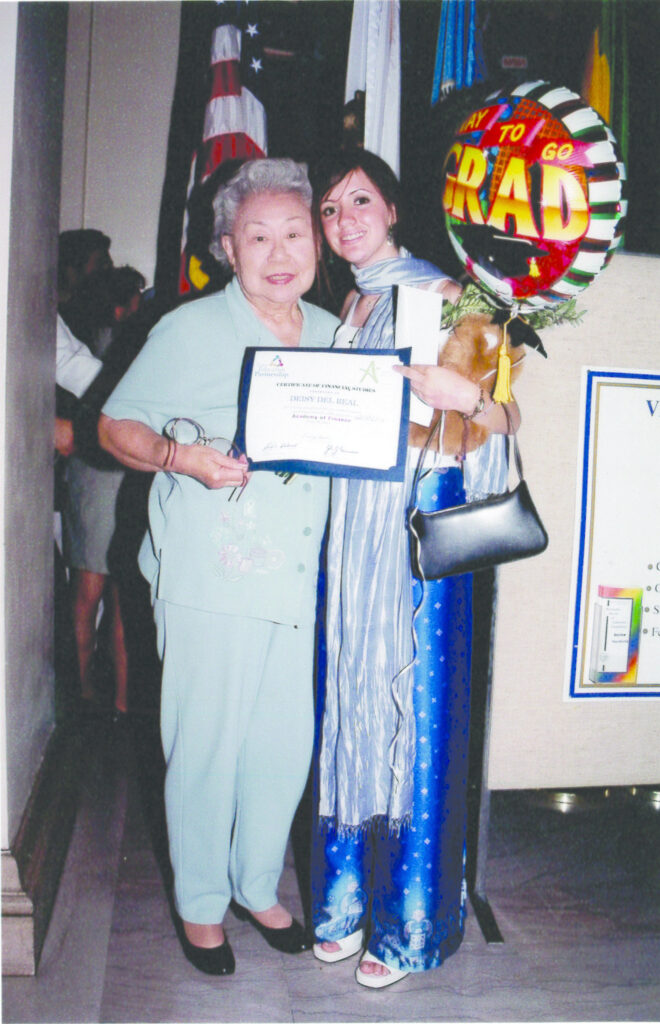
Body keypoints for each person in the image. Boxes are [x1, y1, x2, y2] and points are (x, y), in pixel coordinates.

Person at [98, 158, 339, 976]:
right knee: (206, 744)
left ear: (318, 244)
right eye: (257, 235)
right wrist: (183, 457)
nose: (279, 251)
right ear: (228, 249)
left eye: (294, 233)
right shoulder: (191, 328)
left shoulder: (341, 334)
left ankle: (255, 884)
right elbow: (113, 427)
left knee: (283, 747)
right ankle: (201, 902)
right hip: (212, 575)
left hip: (300, 581)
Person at [309, 149, 520, 988]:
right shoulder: (353, 301)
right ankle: (347, 899)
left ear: (392, 208)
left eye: (357, 200)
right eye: (327, 210)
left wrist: (457, 394)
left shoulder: (444, 295)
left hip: (413, 526)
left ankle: (411, 925)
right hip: (352, 529)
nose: (342, 220)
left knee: (411, 715)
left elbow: (505, 414)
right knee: (351, 705)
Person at [62, 266, 146, 717]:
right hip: (117, 471)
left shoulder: (86, 341)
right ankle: (118, 701)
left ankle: (83, 693)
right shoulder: (128, 345)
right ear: (120, 304)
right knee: (115, 594)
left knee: (87, 591)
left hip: (94, 470)